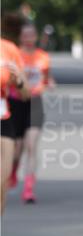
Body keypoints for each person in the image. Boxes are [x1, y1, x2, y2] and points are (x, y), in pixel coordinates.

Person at [8, 21, 55, 202]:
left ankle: (28, 189)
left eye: (31, 35)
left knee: (31, 146)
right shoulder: (14, 55)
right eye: (25, 36)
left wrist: (50, 83)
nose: (28, 39)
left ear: (36, 37)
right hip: (16, 102)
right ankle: (12, 169)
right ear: (20, 37)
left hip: (35, 102)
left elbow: (48, 78)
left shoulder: (43, 57)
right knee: (16, 148)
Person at [1, 17, 30, 214]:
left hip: (2, 120)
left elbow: (26, 93)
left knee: (1, 185)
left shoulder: (8, 49)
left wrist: (19, 81)